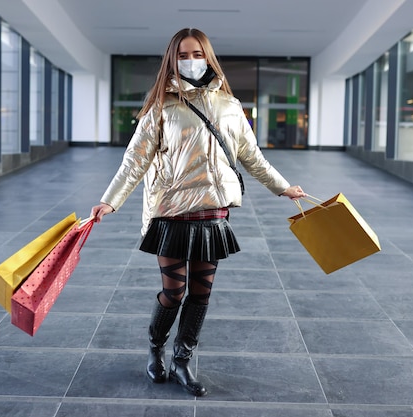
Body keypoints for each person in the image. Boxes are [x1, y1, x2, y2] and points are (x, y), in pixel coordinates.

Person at [90, 28, 307, 397]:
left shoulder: (230, 106)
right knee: (173, 292)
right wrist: (110, 200)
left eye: (197, 53)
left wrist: (282, 186)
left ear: (209, 56)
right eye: (183, 55)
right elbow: (134, 161)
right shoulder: (161, 106)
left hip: (211, 212)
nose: (190, 61)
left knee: (201, 293)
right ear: (172, 59)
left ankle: (182, 359)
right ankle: (156, 348)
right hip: (170, 212)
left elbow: (252, 157)